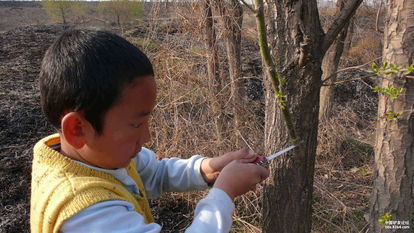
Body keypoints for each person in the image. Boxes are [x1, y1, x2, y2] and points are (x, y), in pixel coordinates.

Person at [30, 29, 269, 233]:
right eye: (136, 124)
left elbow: (156, 172)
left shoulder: (100, 156)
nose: (147, 137)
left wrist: (210, 169)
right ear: (76, 129)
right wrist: (223, 195)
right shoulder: (85, 213)